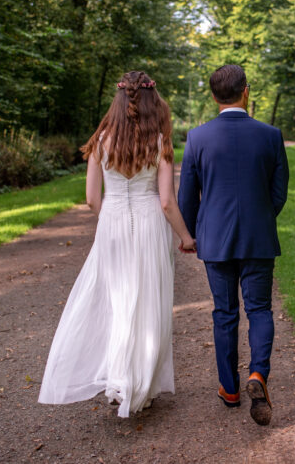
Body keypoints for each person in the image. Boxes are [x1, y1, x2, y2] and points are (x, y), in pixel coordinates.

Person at [38, 71, 196, 418]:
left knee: (118, 301)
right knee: (147, 302)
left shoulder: (100, 140)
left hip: (111, 223)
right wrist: (185, 236)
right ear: (153, 102)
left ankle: (120, 381)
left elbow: (92, 199)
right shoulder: (159, 141)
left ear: (119, 99)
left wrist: (111, 213)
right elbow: (167, 201)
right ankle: (141, 385)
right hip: (149, 222)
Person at [178, 64, 289, 426]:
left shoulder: (197, 137)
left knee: (224, 313)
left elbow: (187, 197)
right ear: (246, 91)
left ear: (213, 97)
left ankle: (230, 389)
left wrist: (193, 234)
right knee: (259, 310)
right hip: (258, 238)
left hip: (216, 240)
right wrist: (260, 217)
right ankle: (258, 374)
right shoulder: (271, 135)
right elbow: (279, 192)